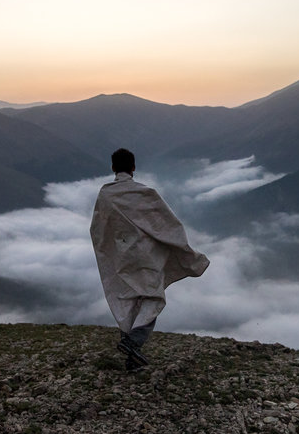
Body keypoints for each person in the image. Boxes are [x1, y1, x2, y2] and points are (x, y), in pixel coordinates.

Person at [89, 148, 209, 373]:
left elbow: (99, 228)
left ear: (113, 167)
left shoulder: (105, 195)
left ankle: (131, 352)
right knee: (153, 297)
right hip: (146, 255)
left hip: (121, 256)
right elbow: (166, 224)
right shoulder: (146, 194)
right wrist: (183, 249)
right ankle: (133, 342)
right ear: (134, 168)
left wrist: (110, 250)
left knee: (127, 298)